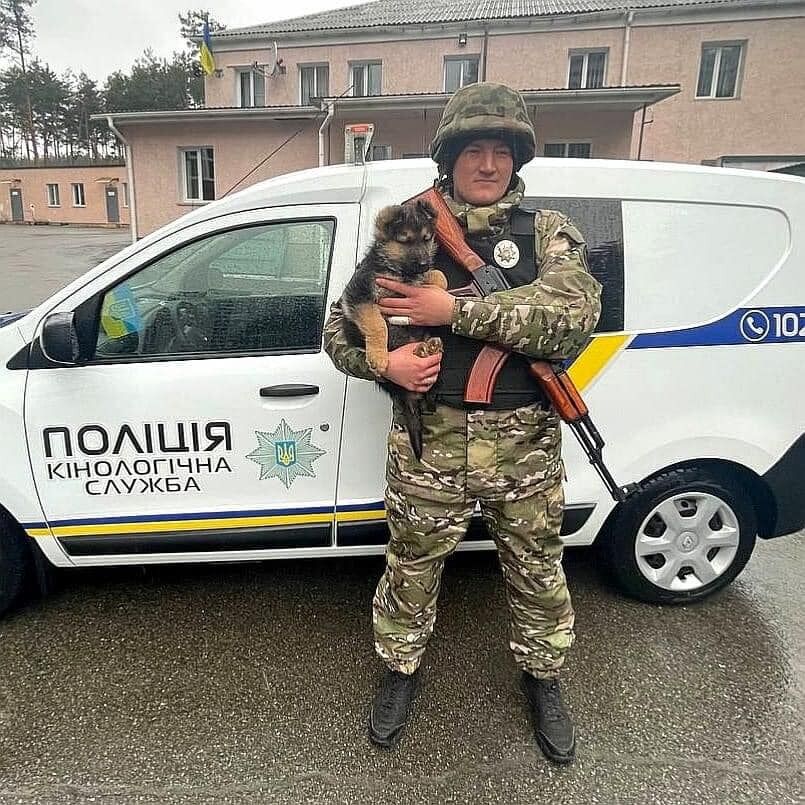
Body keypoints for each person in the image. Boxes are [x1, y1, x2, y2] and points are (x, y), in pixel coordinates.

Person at [322, 82, 602, 764]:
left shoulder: (546, 231)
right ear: (449, 157)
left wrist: (452, 313)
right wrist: (382, 366)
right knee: (411, 566)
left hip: (524, 446)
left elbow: (571, 317)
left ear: (516, 159)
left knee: (537, 569)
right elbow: (338, 328)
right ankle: (400, 669)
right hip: (429, 443)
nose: (487, 164)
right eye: (472, 148)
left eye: (500, 150)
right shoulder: (407, 227)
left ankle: (542, 676)